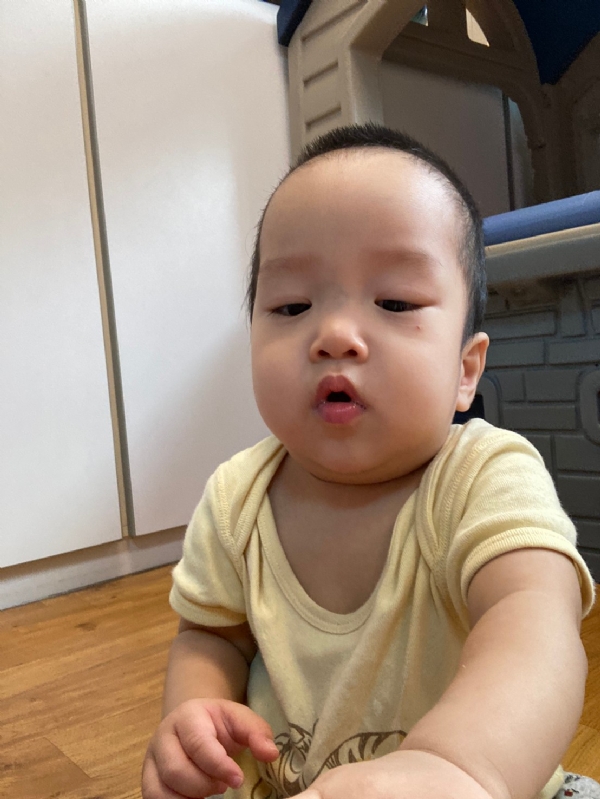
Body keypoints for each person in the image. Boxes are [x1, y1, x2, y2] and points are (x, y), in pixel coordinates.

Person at [141, 123, 598, 799]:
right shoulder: (237, 498)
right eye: (291, 305)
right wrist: (194, 716)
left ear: (466, 370)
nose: (333, 335)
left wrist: (460, 765)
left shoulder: (484, 475)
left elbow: (533, 623)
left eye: (394, 302)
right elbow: (214, 637)